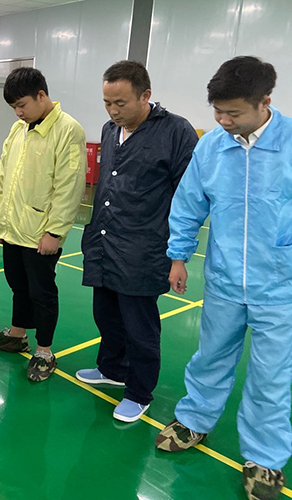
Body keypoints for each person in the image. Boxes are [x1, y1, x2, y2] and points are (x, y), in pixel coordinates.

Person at [155, 56, 292, 500]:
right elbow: (189, 203)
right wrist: (178, 257)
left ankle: (265, 457)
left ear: (265, 101)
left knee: (271, 376)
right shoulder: (212, 147)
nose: (223, 120)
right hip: (225, 279)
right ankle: (194, 420)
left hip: (281, 285)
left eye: (233, 113)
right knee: (210, 356)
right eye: (217, 111)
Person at [76, 60, 198, 423]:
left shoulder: (176, 132)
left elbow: (188, 197)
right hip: (105, 241)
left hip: (144, 249)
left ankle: (139, 391)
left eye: (121, 103)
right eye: (107, 103)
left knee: (139, 327)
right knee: (106, 316)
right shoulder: (110, 130)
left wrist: (179, 255)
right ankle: (112, 368)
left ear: (145, 96)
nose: (113, 111)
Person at [0, 67, 86, 382]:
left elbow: (69, 185)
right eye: (14, 107)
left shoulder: (68, 130)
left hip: (41, 232)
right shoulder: (18, 129)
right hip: (13, 227)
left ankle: (44, 350)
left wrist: (55, 231)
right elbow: (4, 176)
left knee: (42, 292)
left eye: (22, 105)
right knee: (18, 285)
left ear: (41, 95)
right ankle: (17, 334)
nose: (18, 112)